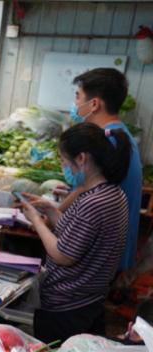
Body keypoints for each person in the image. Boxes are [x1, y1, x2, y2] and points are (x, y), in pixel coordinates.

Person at [19, 123, 131, 344]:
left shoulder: (92, 202)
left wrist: (37, 223)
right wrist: (51, 211)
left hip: (68, 309)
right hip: (90, 302)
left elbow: (64, 254)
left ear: (81, 159)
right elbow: (78, 237)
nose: (64, 167)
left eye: (64, 161)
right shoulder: (113, 194)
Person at [61, 68, 142, 273]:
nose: (75, 105)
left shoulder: (108, 141)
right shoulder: (119, 135)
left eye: (78, 97)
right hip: (110, 251)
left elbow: (85, 189)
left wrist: (44, 217)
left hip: (102, 258)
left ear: (94, 104)